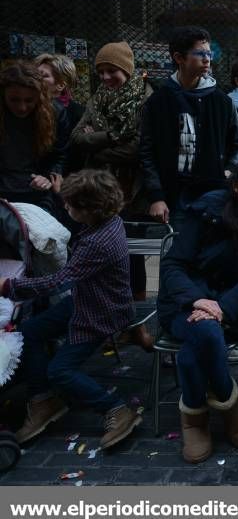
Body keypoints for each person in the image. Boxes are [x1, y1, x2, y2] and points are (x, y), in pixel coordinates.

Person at [1, 169, 140, 448]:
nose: (66, 207)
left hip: (100, 312)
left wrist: (8, 287)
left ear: (89, 209)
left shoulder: (97, 243)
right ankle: (43, 400)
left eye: (70, 204)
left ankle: (115, 408)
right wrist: (59, 193)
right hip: (85, 299)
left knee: (59, 371)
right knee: (28, 332)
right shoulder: (106, 221)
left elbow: (58, 281)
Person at [157, 154, 238, 463]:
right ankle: (228, 404)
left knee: (192, 349)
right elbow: (174, 263)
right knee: (207, 334)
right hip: (184, 302)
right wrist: (198, 300)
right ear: (237, 185)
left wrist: (222, 307)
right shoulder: (206, 211)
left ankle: (194, 418)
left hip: (232, 307)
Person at [70, 41, 155, 350]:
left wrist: (100, 144)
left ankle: (138, 326)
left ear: (127, 70)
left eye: (112, 71)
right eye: (101, 72)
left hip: (133, 192)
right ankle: (118, 322)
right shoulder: (98, 99)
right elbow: (77, 139)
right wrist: (112, 136)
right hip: (102, 191)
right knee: (109, 262)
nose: (105, 77)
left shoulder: (146, 100)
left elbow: (139, 148)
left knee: (133, 257)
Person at [139, 26, 238, 230]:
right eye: (200, 53)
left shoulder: (221, 100)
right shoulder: (158, 101)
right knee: (178, 250)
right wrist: (156, 196)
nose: (207, 59)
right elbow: (146, 152)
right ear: (179, 58)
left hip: (214, 191)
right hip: (175, 194)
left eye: (209, 53)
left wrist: (229, 171)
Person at [0, 61, 69, 213]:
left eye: (29, 100)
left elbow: (59, 155)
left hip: (38, 190)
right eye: (14, 100)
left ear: (39, 96)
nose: (22, 107)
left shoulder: (55, 113)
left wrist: (49, 176)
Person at [35, 53, 85, 139]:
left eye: (43, 76)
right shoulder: (29, 105)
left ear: (60, 85)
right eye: (35, 75)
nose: (36, 79)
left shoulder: (79, 114)